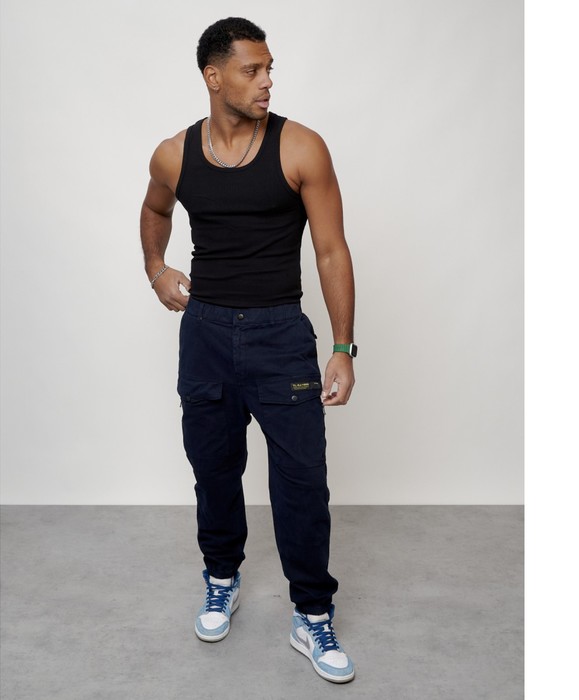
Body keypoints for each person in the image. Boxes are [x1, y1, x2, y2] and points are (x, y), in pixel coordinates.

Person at [139, 17, 358, 684]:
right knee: (213, 470)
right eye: (251, 70)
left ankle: (312, 612)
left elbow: (330, 250)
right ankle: (221, 577)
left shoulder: (301, 148)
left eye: (269, 70)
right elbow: (155, 210)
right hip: (204, 332)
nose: (266, 82)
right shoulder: (174, 154)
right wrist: (156, 268)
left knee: (301, 481)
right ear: (214, 77)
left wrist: (343, 346)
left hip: (279, 334)